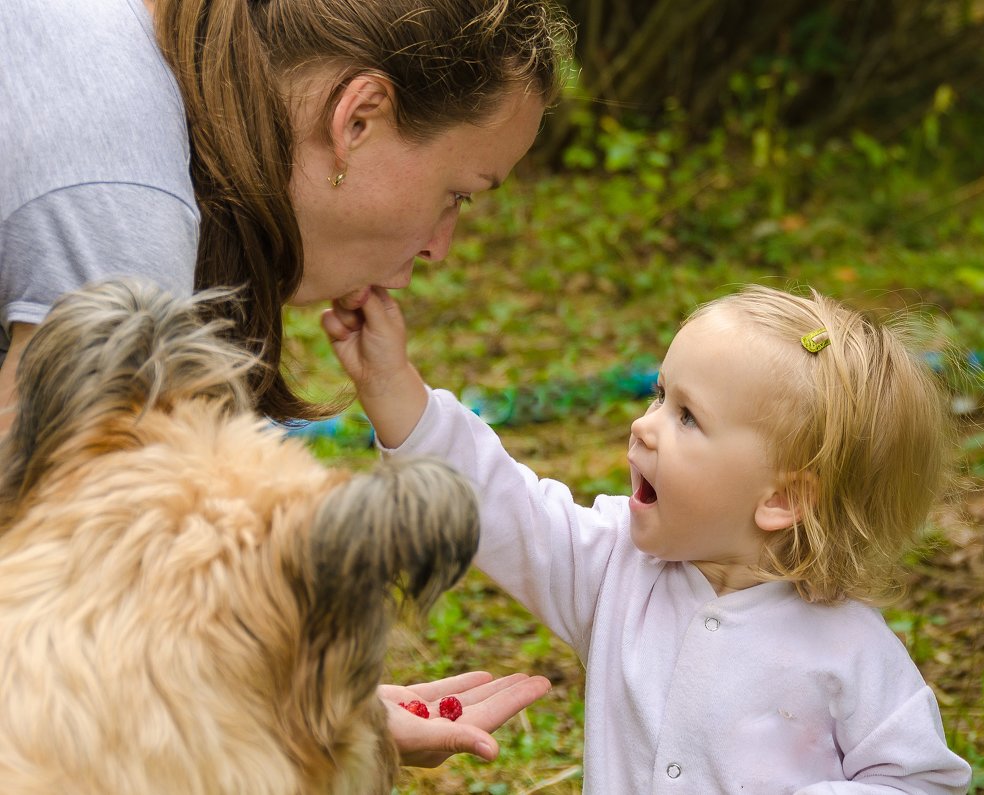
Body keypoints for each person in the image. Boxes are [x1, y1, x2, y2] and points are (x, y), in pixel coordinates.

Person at [0, 0, 573, 767]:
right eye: (457, 194)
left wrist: (297, 682)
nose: (441, 245)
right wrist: (296, 711)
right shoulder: (121, 205)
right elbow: (56, 625)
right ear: (358, 117)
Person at [324, 282, 976, 792]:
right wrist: (391, 386)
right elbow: (504, 508)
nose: (644, 425)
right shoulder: (616, 568)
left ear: (781, 497)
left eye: (688, 416)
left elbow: (917, 778)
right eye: (659, 394)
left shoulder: (851, 648)